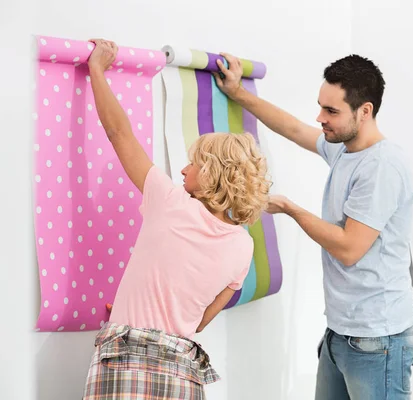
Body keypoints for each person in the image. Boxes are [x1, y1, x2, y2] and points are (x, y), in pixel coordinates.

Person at [214, 53, 413, 399]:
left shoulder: (381, 167)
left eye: (332, 112)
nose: (320, 118)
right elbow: (293, 128)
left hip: (375, 339)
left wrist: (291, 209)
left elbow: (349, 248)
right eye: (321, 107)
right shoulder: (345, 149)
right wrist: (239, 94)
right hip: (341, 332)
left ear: (364, 111)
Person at [81, 39, 271, 399]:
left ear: (214, 174)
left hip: (125, 362)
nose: (183, 169)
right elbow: (195, 320)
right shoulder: (243, 247)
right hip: (182, 375)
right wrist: (138, 303)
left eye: (194, 163)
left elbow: (118, 133)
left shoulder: (169, 200)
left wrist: (96, 69)